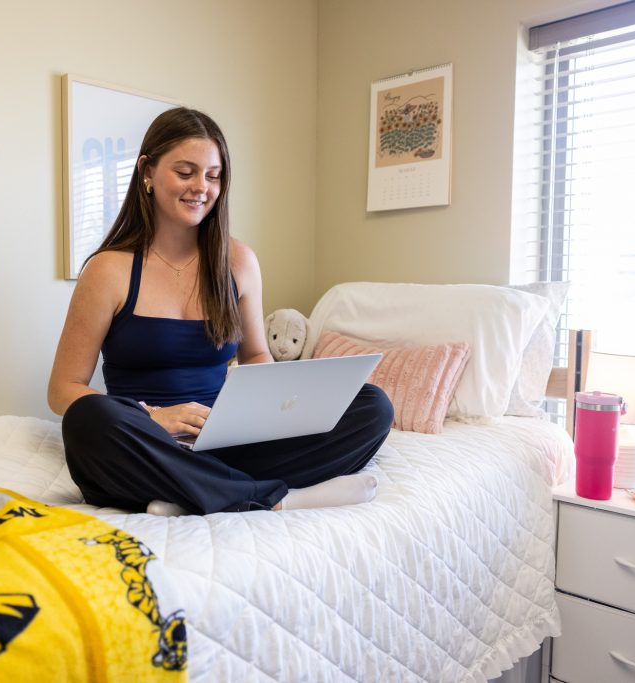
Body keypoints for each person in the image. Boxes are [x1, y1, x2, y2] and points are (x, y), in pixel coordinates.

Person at [47, 107, 393, 516]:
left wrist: (277, 409)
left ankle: (191, 492)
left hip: (230, 441)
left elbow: (256, 356)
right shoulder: (109, 269)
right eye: (186, 171)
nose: (201, 187)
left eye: (213, 176)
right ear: (146, 172)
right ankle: (276, 498)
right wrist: (153, 417)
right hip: (148, 442)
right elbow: (63, 389)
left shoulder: (239, 262)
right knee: (88, 419)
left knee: (372, 406)